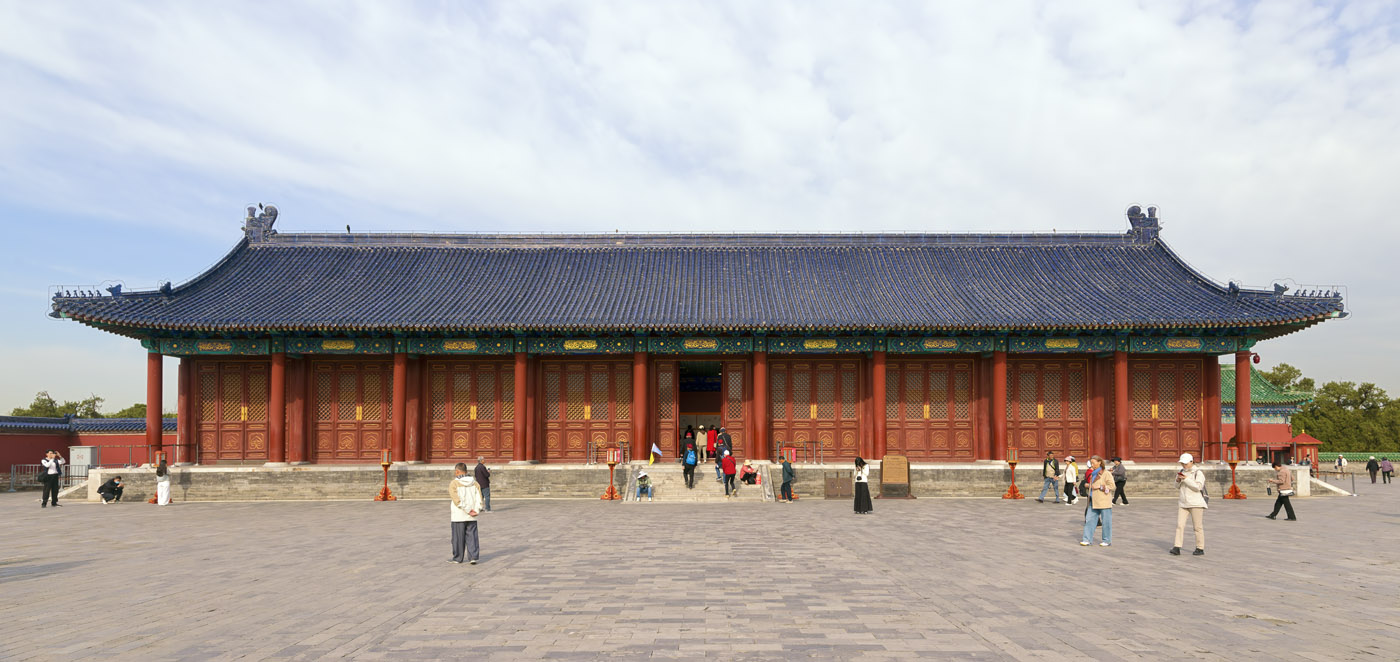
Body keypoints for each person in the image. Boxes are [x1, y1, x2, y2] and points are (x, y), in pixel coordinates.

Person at [1170, 453, 1207, 556]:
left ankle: (1200, 547)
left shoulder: (1198, 473)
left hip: (1196, 503)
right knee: (1180, 525)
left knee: (1197, 527)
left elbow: (1198, 487)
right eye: (1182, 463)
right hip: (1183, 503)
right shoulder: (1181, 471)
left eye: (1185, 463)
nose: (1184, 465)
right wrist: (1178, 480)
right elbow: (1176, 486)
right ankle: (1177, 546)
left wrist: (1186, 479)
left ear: (1191, 462)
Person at [449, 463, 484, 564]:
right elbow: (479, 499)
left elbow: (457, 500)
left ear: (457, 471)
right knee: (472, 537)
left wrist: (468, 510)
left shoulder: (454, 483)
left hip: (459, 515)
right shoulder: (475, 483)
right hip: (472, 516)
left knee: (458, 538)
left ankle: (458, 558)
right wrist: (476, 510)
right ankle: (473, 557)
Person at [1080, 455, 1114, 547]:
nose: (1092, 465)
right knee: (1089, 520)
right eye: (1091, 463)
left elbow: (1112, 486)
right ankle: (1087, 539)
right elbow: (1092, 485)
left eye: (1093, 463)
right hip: (1093, 500)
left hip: (1103, 501)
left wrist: (1100, 487)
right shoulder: (1093, 474)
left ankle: (1106, 540)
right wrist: (1088, 486)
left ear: (1099, 462)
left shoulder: (1106, 473)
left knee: (1106, 522)